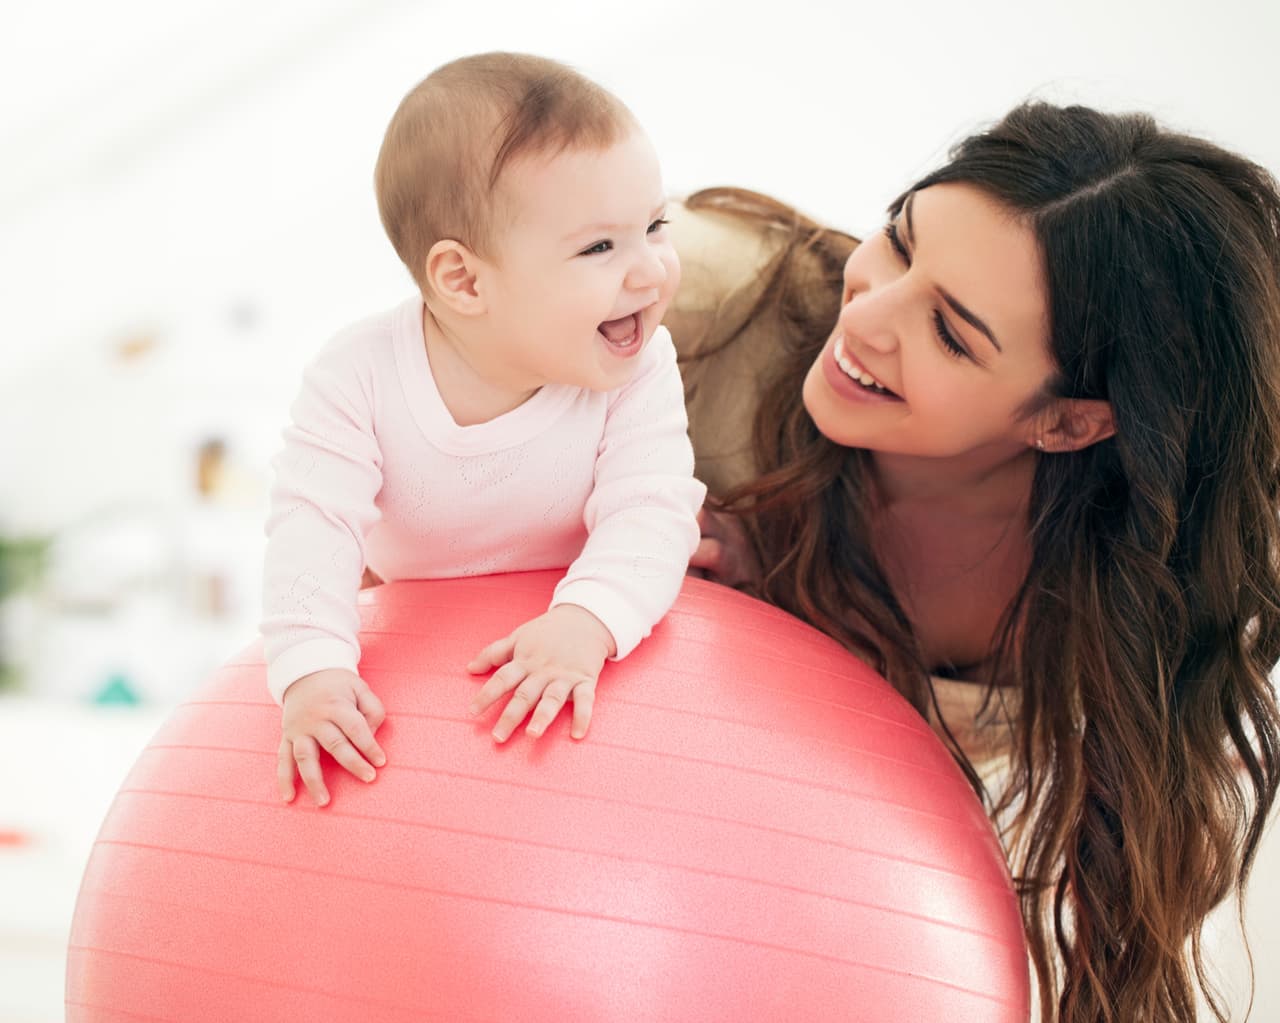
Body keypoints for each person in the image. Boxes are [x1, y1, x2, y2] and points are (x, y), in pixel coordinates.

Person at [665, 103, 1280, 1023]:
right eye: (902, 242)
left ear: (1069, 421)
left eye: (952, 334)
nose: (867, 316)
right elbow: (382, 451)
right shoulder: (696, 295)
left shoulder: (1139, 593)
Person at [262, 53, 704, 808]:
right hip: (421, 646)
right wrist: (313, 669)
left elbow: (653, 505)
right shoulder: (357, 376)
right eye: (601, 247)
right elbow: (312, 524)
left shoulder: (639, 362)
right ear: (463, 280)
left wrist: (588, 619)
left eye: (655, 225)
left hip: (583, 619)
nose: (651, 271)